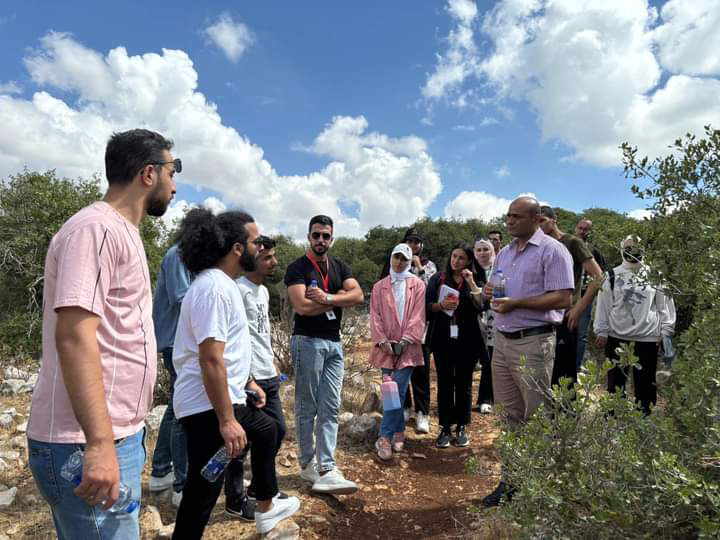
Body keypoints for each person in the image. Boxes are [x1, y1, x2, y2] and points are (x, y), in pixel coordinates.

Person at [27, 129, 178, 539]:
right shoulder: (95, 229)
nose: (175, 185)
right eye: (173, 170)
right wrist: (98, 443)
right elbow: (74, 336)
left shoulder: (120, 231)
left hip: (112, 436)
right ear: (149, 173)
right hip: (84, 442)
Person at [171, 209, 299, 538]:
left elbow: (228, 353)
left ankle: (266, 505)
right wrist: (227, 420)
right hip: (206, 408)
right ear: (238, 248)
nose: (262, 248)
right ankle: (264, 506)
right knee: (202, 493)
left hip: (217, 400)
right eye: (257, 242)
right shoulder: (214, 289)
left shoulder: (221, 285)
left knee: (268, 430)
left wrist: (247, 382)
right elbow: (211, 358)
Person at [481, 196, 573, 507]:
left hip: (533, 342)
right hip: (503, 342)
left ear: (536, 218)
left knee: (537, 418)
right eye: (508, 215)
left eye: (516, 216)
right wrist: (489, 291)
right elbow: (495, 288)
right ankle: (511, 483)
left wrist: (518, 303)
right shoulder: (505, 253)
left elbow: (563, 298)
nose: (509, 221)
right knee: (509, 416)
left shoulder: (553, 250)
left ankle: (537, 489)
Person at [284, 215, 364, 494]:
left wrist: (328, 298)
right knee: (307, 406)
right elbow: (302, 307)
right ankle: (308, 463)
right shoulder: (297, 268)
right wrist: (340, 297)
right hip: (307, 340)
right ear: (309, 237)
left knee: (331, 406)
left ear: (332, 238)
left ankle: (327, 466)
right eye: (316, 235)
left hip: (334, 342)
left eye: (326, 235)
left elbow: (358, 296)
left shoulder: (339, 266)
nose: (321, 240)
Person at [226, 236, 287, 520]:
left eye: (274, 256)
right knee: (242, 444)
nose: (274, 262)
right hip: (249, 379)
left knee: (278, 431)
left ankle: (261, 489)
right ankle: (235, 499)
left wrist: (272, 359)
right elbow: (233, 337)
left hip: (268, 373)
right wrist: (246, 377)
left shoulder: (262, 291)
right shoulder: (238, 289)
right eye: (267, 257)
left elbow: (261, 332)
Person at [594, 235, 676, 415]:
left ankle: (643, 420)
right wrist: (601, 330)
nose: (633, 252)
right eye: (629, 248)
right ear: (622, 249)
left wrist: (665, 332)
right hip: (616, 338)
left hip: (648, 338)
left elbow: (665, 306)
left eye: (637, 248)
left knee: (645, 384)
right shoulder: (611, 275)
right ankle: (613, 421)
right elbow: (604, 306)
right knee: (615, 384)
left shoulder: (655, 276)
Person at [425, 243, 487, 448]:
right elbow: (426, 306)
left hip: (468, 338)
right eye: (454, 256)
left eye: (461, 258)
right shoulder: (438, 279)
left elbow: (482, 305)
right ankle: (445, 427)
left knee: (464, 383)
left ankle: (461, 426)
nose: (456, 261)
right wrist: (441, 306)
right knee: (444, 382)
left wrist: (471, 283)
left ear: (469, 261)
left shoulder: (476, 278)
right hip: (442, 337)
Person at [369, 244, 426, 460]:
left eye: (404, 259)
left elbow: (418, 316)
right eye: (396, 257)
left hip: (408, 348)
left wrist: (405, 341)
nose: (399, 262)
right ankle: (399, 430)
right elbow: (375, 316)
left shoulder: (417, 285)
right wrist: (383, 341)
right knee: (390, 391)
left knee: (397, 389)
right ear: (391, 258)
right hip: (385, 348)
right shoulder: (379, 287)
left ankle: (384, 436)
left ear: (410, 261)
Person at [538, 207, 603, 387]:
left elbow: (599, 277)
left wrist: (579, 308)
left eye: (543, 220)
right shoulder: (538, 244)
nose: (539, 225)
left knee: (564, 372)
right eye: (536, 221)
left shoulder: (572, 242)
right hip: (541, 314)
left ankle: (567, 405)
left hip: (566, 314)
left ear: (554, 220)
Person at [148, 244, 191, 506]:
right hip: (177, 342)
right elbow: (182, 298)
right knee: (182, 409)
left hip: (182, 342)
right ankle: (180, 484)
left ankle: (161, 470)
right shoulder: (179, 254)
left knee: (177, 405)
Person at [401, 227, 436, 433]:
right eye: (410, 241)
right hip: (400, 325)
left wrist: (418, 267)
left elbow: (430, 291)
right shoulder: (397, 262)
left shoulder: (429, 265)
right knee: (401, 367)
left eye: (417, 242)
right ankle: (405, 407)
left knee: (421, 370)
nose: (413, 245)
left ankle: (422, 413)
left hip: (421, 326)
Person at [574, 218, 606, 369]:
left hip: (585, 297)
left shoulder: (594, 252)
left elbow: (601, 275)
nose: (582, 231)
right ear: (576, 228)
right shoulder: (566, 246)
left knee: (581, 335)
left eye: (585, 229)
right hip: (567, 296)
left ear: (590, 232)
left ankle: (576, 368)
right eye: (580, 228)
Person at [473, 238, 496, 414]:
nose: (482, 253)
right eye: (479, 250)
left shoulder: (500, 268)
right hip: (474, 320)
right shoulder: (470, 270)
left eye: (486, 249)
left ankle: (486, 398)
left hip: (495, 320)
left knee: (491, 360)